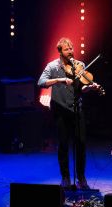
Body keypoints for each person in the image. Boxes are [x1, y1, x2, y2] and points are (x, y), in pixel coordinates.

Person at [38, 37, 101, 190]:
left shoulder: (80, 65)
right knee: (63, 144)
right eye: (67, 49)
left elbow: (81, 88)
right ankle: (65, 177)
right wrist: (60, 79)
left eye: (72, 48)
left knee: (81, 144)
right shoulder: (52, 66)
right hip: (60, 110)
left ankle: (81, 177)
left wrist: (90, 88)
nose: (71, 51)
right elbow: (41, 82)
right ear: (60, 51)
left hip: (76, 109)